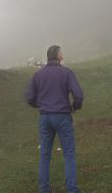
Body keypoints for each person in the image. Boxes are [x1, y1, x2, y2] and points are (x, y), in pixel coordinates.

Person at [25, 45, 84, 193]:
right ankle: (72, 189)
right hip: (62, 116)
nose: (63, 54)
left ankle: (44, 189)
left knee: (45, 154)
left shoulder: (38, 75)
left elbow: (30, 97)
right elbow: (78, 95)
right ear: (59, 56)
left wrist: (40, 105)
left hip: (45, 117)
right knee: (69, 153)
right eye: (61, 52)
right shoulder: (66, 72)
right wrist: (75, 107)